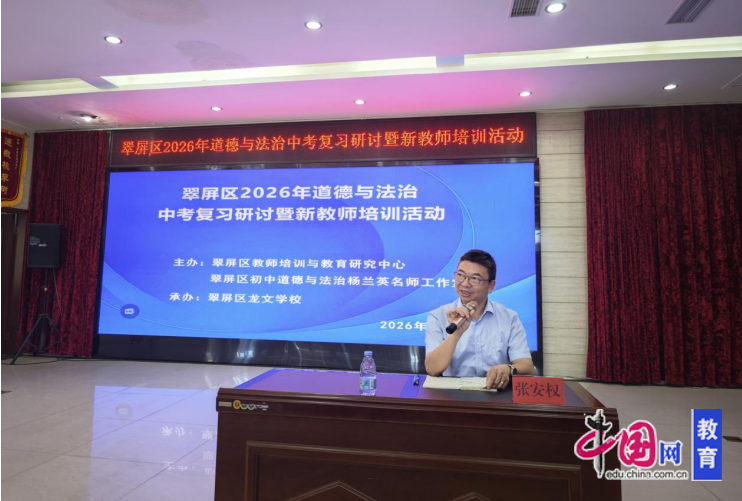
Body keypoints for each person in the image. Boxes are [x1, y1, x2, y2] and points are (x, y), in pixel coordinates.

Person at [425, 249, 536, 389]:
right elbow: (432, 369)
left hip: (496, 393)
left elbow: (527, 367)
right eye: (460, 275)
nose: (465, 283)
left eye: (475, 279)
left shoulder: (509, 318)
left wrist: (508, 369)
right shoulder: (438, 316)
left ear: (490, 286)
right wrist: (455, 334)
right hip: (453, 395)